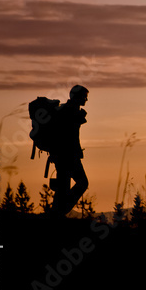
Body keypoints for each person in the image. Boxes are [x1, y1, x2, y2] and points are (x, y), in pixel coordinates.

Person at [51, 85, 91, 216]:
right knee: (81, 183)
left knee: (63, 187)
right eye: (84, 97)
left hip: (63, 155)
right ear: (77, 97)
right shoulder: (69, 111)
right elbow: (67, 135)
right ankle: (60, 211)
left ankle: (57, 213)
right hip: (67, 155)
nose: (86, 100)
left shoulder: (68, 110)